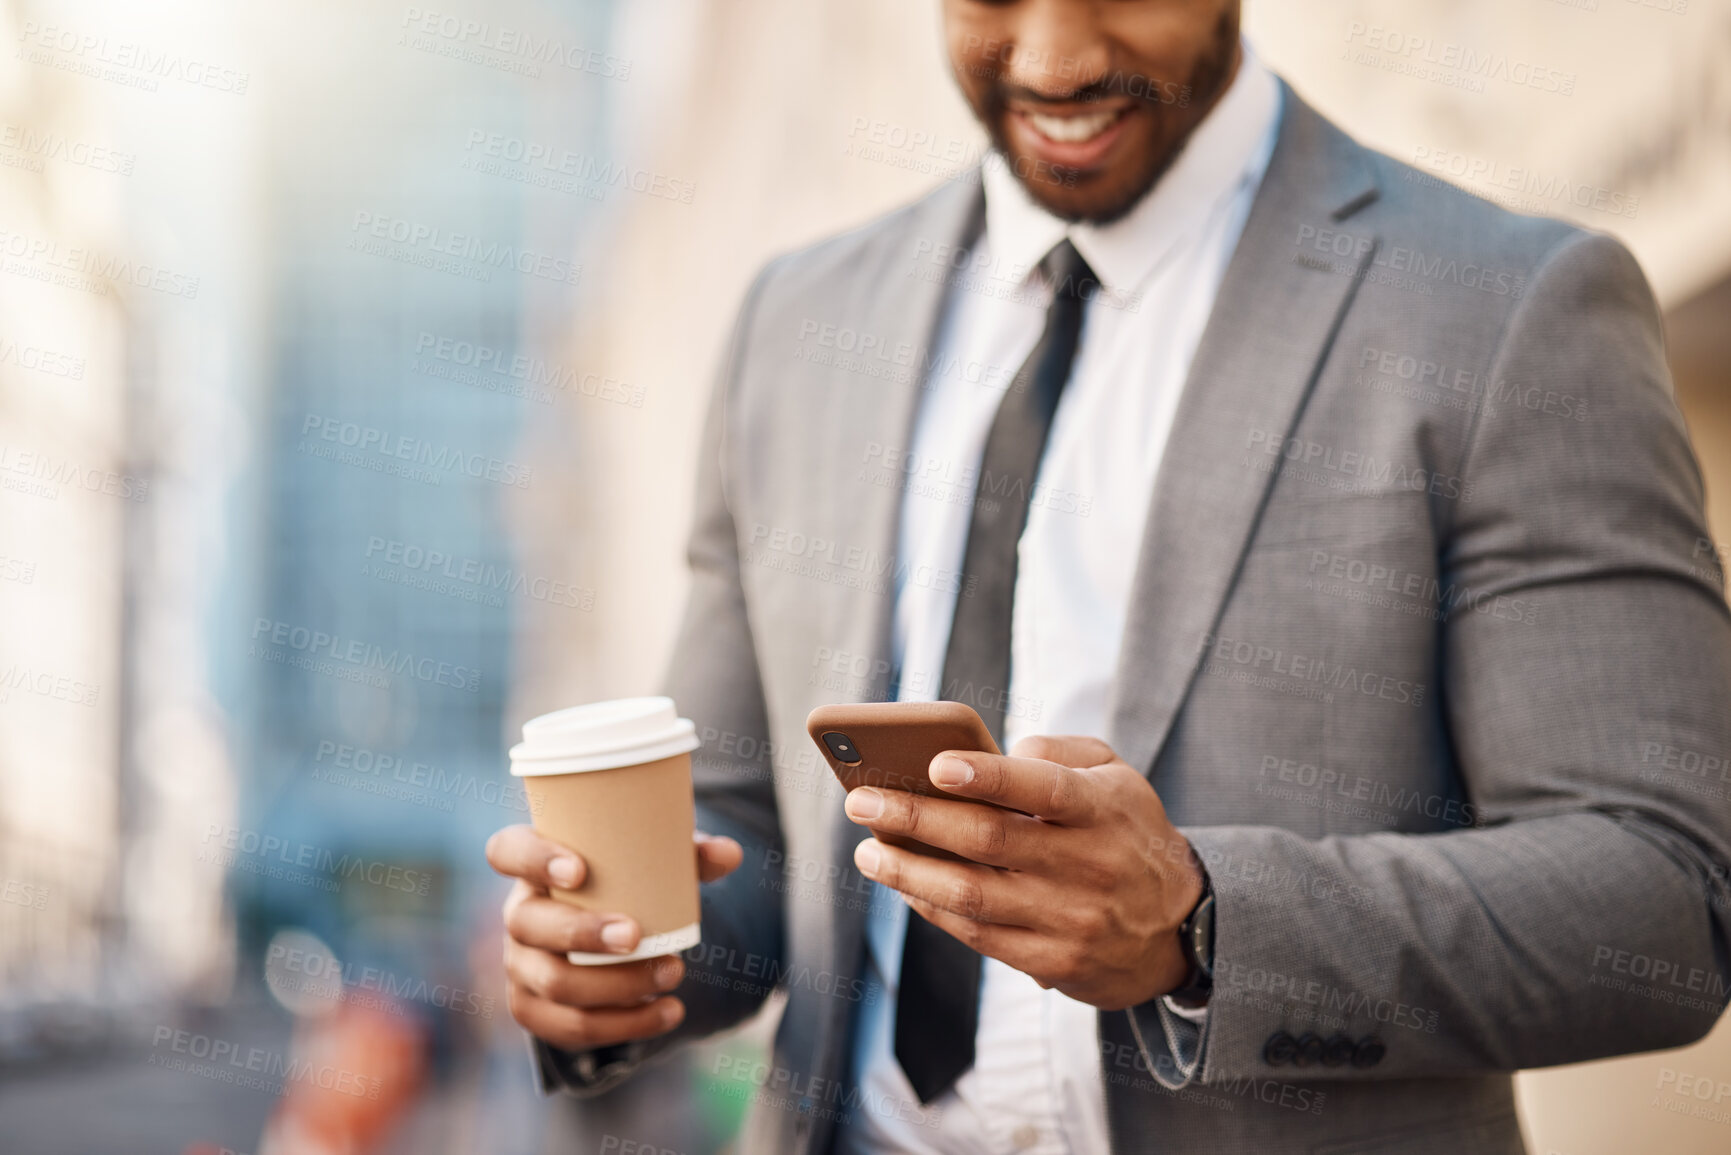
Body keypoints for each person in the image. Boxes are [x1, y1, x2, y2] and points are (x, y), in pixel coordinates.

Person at [487, 1, 1731, 1151]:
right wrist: (620, 966)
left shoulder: (1508, 310)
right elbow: (748, 830)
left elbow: (1665, 898)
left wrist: (1201, 921)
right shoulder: (797, 320)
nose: (1052, 60)